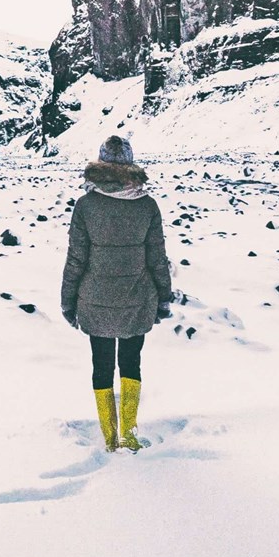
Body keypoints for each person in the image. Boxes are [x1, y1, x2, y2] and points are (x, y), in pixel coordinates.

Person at [60, 134, 171, 452]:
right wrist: (163, 296)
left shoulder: (86, 206)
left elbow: (76, 258)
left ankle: (110, 437)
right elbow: (157, 257)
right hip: (137, 298)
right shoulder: (148, 206)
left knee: (102, 364)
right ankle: (129, 434)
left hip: (95, 300)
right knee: (132, 363)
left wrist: (68, 300)